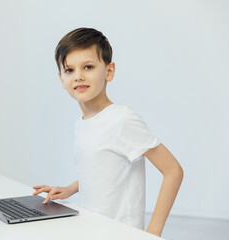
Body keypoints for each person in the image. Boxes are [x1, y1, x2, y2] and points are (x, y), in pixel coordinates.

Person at [32, 27, 183, 237]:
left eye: (88, 67)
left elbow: (173, 171)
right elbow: (101, 171)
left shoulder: (122, 119)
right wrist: (70, 189)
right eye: (69, 70)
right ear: (61, 79)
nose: (78, 76)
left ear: (109, 71)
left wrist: (153, 232)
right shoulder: (82, 122)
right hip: (92, 229)